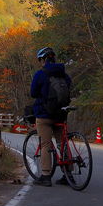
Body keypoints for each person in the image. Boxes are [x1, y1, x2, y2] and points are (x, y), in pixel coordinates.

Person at [30, 46, 72, 186]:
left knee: (46, 144)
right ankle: (68, 174)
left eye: (40, 60)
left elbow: (33, 93)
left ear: (43, 59)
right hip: (60, 114)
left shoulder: (40, 74)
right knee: (62, 143)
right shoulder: (64, 75)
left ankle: (46, 176)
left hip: (44, 115)